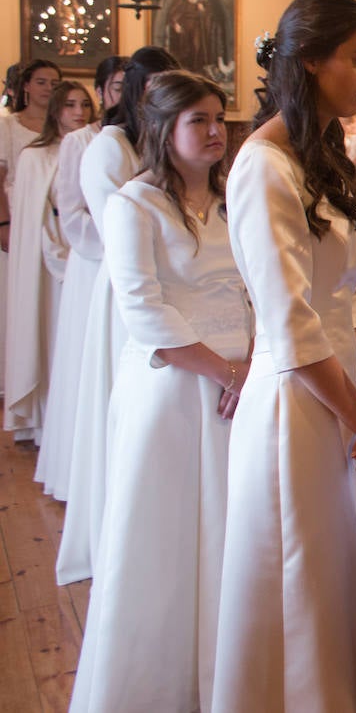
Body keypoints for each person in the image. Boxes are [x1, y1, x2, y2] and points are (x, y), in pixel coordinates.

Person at [215, 0, 356, 712]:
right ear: (311, 61)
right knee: (302, 582)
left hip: (341, 392)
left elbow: (353, 293)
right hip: (296, 404)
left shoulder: (321, 152)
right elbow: (291, 331)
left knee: (339, 580)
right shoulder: (264, 168)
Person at [70, 72, 249, 713]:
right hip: (172, 388)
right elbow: (142, 311)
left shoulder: (233, 201)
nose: (214, 131)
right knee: (164, 541)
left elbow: (253, 291)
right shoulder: (134, 204)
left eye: (219, 118)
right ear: (163, 130)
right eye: (197, 120)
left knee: (233, 536)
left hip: (241, 388)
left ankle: (230, 678)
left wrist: (250, 363)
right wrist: (222, 371)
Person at [56, 46, 181, 586]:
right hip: (129, 285)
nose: (157, 94)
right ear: (132, 89)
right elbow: (119, 225)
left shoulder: (160, 139)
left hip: (173, 279)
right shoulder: (109, 146)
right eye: (149, 84)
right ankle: (119, 531)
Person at [37, 56, 125, 500]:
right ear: (103, 90)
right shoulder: (81, 142)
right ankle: (80, 474)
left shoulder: (142, 136)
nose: (123, 94)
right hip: (94, 261)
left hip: (127, 262)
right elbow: (70, 211)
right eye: (116, 86)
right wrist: (116, 246)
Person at [4, 80, 89, 445]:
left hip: (82, 258)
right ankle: (42, 422)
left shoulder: (92, 150)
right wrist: (59, 260)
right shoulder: (34, 157)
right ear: (56, 110)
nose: (79, 112)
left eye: (85, 105)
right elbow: (37, 219)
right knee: (48, 336)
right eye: (70, 105)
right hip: (50, 266)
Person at [0, 59, 61, 407]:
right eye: (41, 82)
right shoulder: (9, 126)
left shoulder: (61, 126)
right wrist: (4, 222)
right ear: (26, 87)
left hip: (50, 219)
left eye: (54, 82)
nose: (48, 88)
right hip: (17, 212)